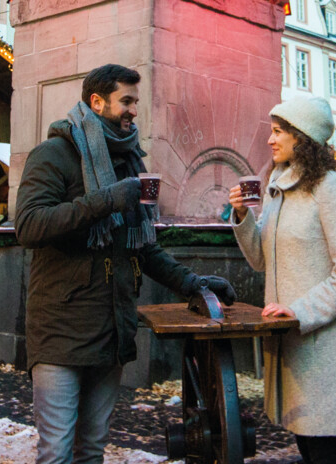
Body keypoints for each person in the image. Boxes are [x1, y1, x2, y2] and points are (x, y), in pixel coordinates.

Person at [15, 63, 236, 464]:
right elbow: (29, 226)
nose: (134, 110)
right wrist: (109, 199)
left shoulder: (129, 160)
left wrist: (191, 283)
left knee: (92, 449)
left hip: (111, 330)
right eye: (126, 101)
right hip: (60, 331)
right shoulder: (54, 154)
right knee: (56, 451)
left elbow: (142, 246)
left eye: (137, 101)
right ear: (96, 102)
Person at [229, 98, 336, 464]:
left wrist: (299, 311)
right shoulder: (278, 187)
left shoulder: (332, 189)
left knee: (324, 446)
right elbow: (260, 259)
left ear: (301, 137)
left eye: (278, 132)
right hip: (290, 338)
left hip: (325, 340)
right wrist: (243, 216)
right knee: (307, 441)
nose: (270, 140)